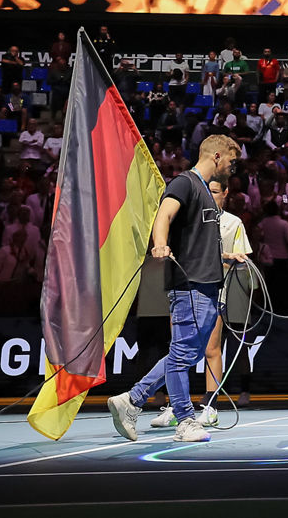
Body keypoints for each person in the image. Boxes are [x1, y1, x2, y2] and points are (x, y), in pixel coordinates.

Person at [107, 136, 242, 443]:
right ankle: (184, 420)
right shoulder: (185, 183)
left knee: (187, 353)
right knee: (183, 353)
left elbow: (197, 243)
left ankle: (132, 399)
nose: (233, 168)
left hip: (208, 285)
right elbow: (164, 213)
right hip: (188, 286)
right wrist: (159, 243)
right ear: (217, 156)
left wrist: (225, 257)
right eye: (232, 162)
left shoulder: (207, 193)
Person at [149, 176, 251, 429]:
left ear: (225, 192)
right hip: (183, 290)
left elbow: (242, 258)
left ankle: (210, 405)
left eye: (216, 192)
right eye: (209, 191)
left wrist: (230, 257)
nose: (212, 195)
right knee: (178, 350)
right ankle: (177, 405)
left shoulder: (232, 223)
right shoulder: (190, 217)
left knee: (210, 349)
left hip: (214, 293)